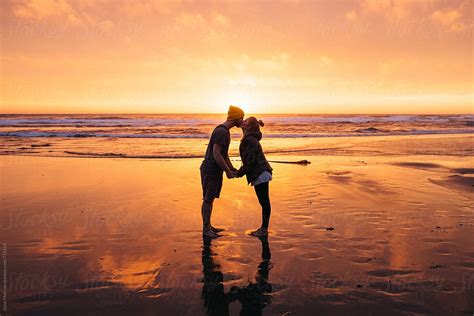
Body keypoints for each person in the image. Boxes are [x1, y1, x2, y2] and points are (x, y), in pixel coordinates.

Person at [200, 105, 245, 238]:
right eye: (242, 117)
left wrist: (231, 168)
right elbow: (217, 154)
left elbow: (224, 155)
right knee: (207, 199)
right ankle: (206, 230)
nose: (243, 121)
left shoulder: (224, 131)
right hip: (211, 169)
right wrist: (227, 171)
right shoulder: (222, 132)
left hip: (214, 169)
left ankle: (209, 226)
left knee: (210, 198)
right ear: (236, 117)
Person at [236, 117, 273, 237]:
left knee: (264, 202)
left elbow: (249, 162)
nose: (243, 122)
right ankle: (264, 228)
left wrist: (238, 173)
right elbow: (249, 160)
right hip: (261, 172)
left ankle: (264, 229)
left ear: (249, 127)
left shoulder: (250, 140)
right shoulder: (249, 139)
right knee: (264, 202)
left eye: (245, 121)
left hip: (260, 173)